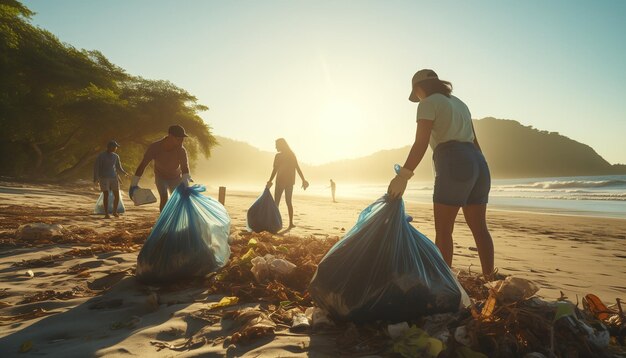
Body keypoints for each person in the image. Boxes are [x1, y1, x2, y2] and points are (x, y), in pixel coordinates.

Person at [387, 69, 494, 277]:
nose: (417, 99)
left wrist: (403, 175)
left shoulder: (427, 103)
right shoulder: (460, 103)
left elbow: (421, 142)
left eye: (415, 94)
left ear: (419, 88)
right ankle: (490, 280)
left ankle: (445, 283)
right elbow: (475, 141)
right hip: (479, 163)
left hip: (454, 160)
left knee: (444, 230)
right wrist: (478, 170)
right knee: (480, 229)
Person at [130, 125, 193, 212]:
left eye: (183, 139)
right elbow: (143, 164)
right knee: (164, 197)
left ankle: (175, 220)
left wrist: (186, 180)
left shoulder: (181, 150)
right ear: (170, 136)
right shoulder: (155, 147)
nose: (181, 141)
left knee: (177, 199)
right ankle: (163, 221)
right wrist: (134, 183)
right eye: (179, 138)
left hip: (176, 177)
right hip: (161, 177)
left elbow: (185, 167)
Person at [266, 138, 309, 229]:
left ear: (281, 145)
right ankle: (290, 223)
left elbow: (275, 170)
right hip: (289, 181)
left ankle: (275, 222)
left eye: (276, 145)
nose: (275, 147)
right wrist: (303, 180)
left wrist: (270, 181)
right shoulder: (291, 155)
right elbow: (297, 168)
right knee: (288, 202)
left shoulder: (278, 156)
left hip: (281, 181)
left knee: (276, 202)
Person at [93, 140, 129, 218]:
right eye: (115, 147)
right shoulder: (101, 156)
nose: (116, 148)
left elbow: (118, 168)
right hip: (104, 178)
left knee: (117, 195)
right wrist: (96, 178)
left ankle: (114, 212)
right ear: (109, 147)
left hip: (114, 178)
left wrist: (125, 173)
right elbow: (96, 167)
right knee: (106, 194)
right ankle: (106, 214)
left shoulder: (116, 156)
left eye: (116, 147)